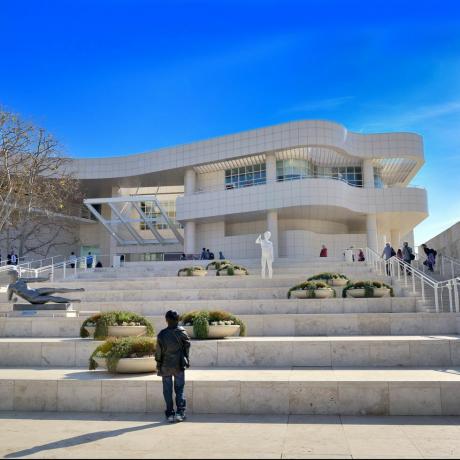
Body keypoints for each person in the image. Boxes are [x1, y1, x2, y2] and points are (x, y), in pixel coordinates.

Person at [155, 310, 191, 423]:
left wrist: (158, 364)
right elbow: (187, 347)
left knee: (167, 390)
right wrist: (186, 359)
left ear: (166, 320)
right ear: (177, 320)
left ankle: (170, 413)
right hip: (179, 364)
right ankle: (180, 412)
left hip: (165, 365)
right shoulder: (182, 332)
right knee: (179, 389)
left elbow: (158, 352)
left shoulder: (161, 334)